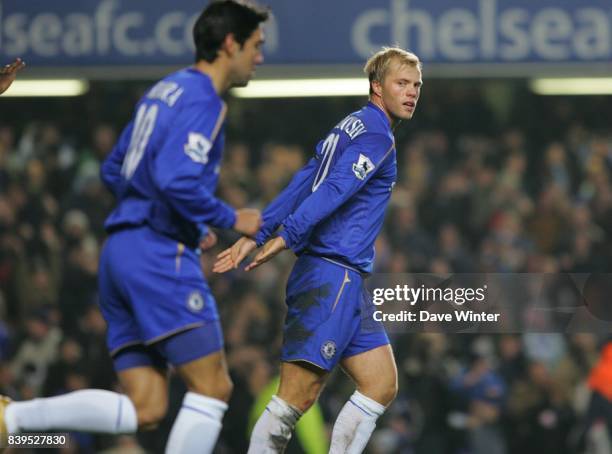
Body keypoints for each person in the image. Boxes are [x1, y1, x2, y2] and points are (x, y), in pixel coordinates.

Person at [0, 2, 268, 453]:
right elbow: (173, 178)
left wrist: (176, 215)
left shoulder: (163, 91)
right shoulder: (205, 100)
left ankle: (13, 418)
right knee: (213, 388)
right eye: (256, 46)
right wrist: (228, 217)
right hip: (156, 256)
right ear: (229, 44)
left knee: (147, 407)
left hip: (119, 255)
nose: (259, 57)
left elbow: (113, 168)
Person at [214, 47, 423, 453]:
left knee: (381, 383)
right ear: (376, 87)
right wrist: (283, 236)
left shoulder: (348, 128)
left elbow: (301, 182)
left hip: (346, 281)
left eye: (416, 85)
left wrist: (259, 233)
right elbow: (331, 190)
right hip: (332, 274)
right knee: (294, 398)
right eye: (402, 83)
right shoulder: (378, 135)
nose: (412, 92)